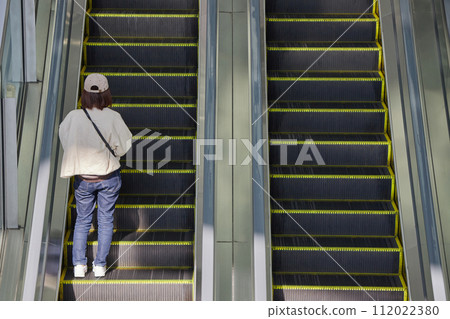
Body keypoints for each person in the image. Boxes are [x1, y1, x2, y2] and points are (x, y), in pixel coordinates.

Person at [59, 73, 132, 278]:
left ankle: (79, 266)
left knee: (82, 220)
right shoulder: (113, 117)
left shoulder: (73, 117)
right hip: (108, 176)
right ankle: (100, 265)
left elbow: (65, 139)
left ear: (85, 93)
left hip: (83, 178)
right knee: (106, 219)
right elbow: (125, 144)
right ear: (106, 93)